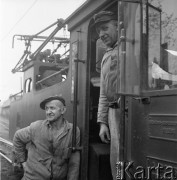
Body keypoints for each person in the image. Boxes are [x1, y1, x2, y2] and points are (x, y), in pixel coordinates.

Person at [12, 95, 80, 180]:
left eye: (52, 108)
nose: (48, 112)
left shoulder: (73, 131)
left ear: (63, 110)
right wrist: (23, 162)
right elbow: (17, 137)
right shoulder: (36, 127)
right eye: (46, 109)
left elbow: (74, 160)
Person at [93, 11, 120, 180]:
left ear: (118, 26)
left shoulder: (132, 48)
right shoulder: (106, 56)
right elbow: (104, 92)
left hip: (132, 110)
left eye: (105, 28)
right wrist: (103, 122)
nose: (101, 34)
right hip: (113, 114)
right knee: (116, 162)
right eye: (98, 32)